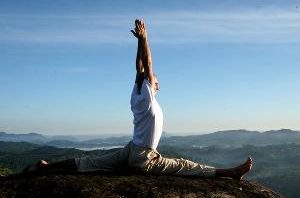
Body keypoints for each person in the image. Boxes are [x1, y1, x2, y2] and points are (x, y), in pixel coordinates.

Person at [23, 19, 252, 180]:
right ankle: (231, 173)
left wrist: (138, 44)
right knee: (185, 166)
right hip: (142, 157)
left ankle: (46, 166)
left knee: (89, 163)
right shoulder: (148, 99)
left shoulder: (137, 96)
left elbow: (140, 67)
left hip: (131, 150)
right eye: (156, 80)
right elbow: (148, 64)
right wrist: (145, 38)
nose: (157, 81)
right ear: (152, 85)